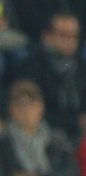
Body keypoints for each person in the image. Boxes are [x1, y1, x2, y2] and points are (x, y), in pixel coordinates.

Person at [0, 79, 78, 176]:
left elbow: (72, 171)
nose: (26, 110)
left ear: (41, 108)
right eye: (20, 104)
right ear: (11, 109)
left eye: (31, 103)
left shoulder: (57, 139)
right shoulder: (1, 143)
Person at [14, 13, 86, 141]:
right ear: (46, 36)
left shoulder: (81, 65)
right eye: (63, 35)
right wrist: (76, 122)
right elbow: (32, 111)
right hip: (45, 133)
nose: (69, 41)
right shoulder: (33, 66)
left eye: (74, 36)